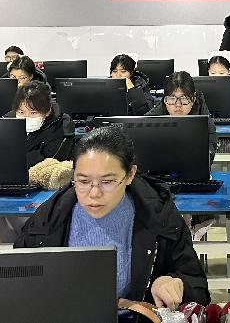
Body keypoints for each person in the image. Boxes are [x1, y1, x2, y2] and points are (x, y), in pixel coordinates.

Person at [15, 126, 210, 308]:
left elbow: (199, 289)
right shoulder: (48, 219)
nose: (94, 193)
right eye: (83, 181)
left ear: (130, 175)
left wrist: (174, 284)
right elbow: (17, 287)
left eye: (107, 182)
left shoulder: (160, 217)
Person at [0, 81, 75, 244]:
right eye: (21, 112)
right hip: (11, 187)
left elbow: (50, 162)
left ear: (47, 110)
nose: (26, 117)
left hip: (45, 191)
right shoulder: (7, 122)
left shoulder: (62, 126)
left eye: (33, 112)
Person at [146, 71, 218, 162]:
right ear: (165, 100)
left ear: (193, 99)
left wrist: (206, 159)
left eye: (184, 98)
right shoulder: (156, 114)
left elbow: (211, 138)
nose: (178, 105)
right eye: (172, 98)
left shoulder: (200, 108)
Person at [207, 52, 230, 118]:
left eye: (221, 73)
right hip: (212, 118)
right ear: (208, 71)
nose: (217, 76)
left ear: (229, 71)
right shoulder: (205, 85)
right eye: (213, 73)